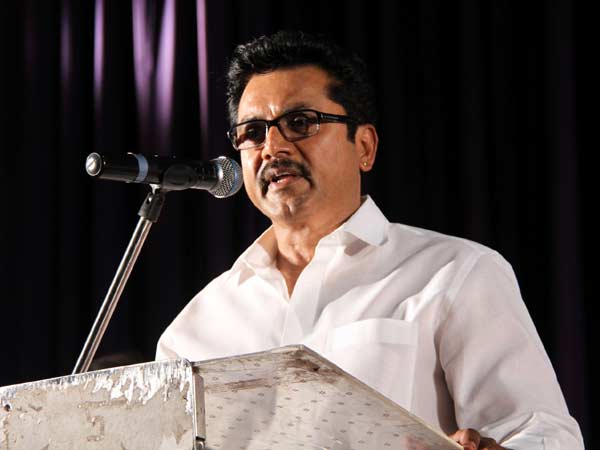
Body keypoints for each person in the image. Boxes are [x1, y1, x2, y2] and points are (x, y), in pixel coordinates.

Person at [156, 31, 584, 450]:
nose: (272, 148)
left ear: (364, 146)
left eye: (300, 123)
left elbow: (544, 434)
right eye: (252, 132)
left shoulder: (455, 273)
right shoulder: (195, 329)